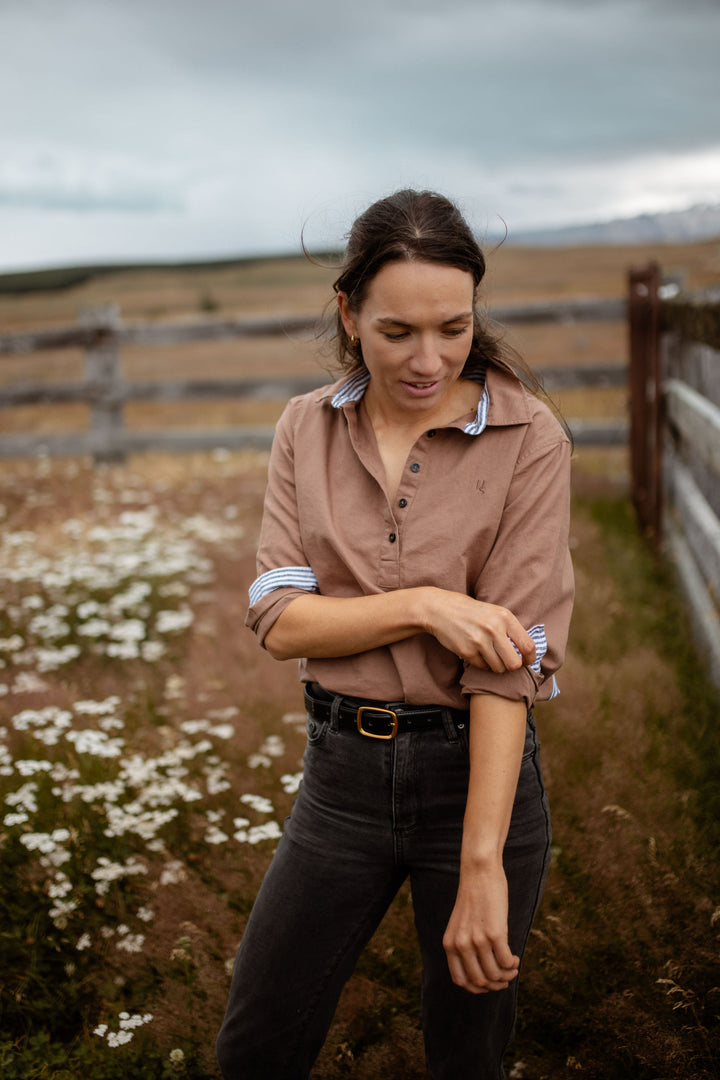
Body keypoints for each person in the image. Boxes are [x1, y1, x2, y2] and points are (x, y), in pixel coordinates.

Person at [216, 189, 574, 1080]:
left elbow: (507, 668)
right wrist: (426, 605)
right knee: (256, 1044)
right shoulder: (306, 427)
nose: (430, 359)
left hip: (476, 780)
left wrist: (483, 863)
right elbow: (280, 619)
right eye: (397, 332)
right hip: (339, 779)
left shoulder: (531, 439)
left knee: (466, 1054)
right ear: (348, 313)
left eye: (454, 328)